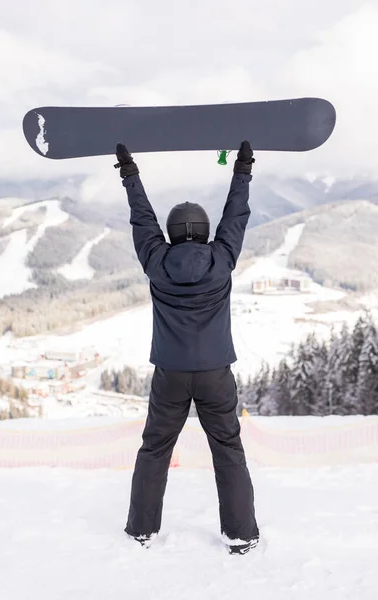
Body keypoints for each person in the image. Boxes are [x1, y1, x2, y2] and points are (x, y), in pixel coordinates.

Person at [115, 141, 259, 555]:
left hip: (170, 374)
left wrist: (129, 173)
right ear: (205, 230)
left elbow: (141, 220)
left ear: (173, 232)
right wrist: (243, 168)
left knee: (155, 448)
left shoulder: (156, 261)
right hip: (216, 373)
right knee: (228, 449)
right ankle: (242, 534)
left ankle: (142, 530)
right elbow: (237, 215)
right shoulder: (222, 258)